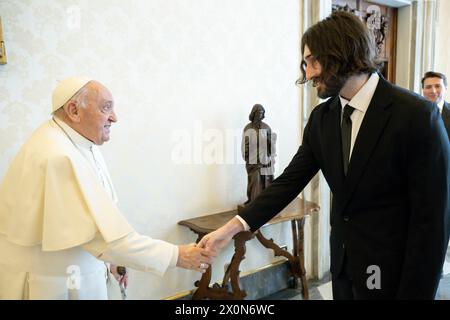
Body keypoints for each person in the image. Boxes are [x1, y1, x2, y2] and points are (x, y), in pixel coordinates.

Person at [198, 11, 450, 299]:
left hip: (392, 272)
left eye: (312, 61)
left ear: (341, 53)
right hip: (343, 268)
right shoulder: (322, 118)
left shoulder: (416, 116)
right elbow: (288, 183)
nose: (308, 74)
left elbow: (432, 223)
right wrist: (230, 229)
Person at [0, 77, 215, 300]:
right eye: (106, 108)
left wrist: (112, 261)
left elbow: (99, 223)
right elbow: (103, 238)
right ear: (74, 110)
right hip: (54, 285)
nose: (114, 117)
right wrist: (177, 255)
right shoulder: (58, 155)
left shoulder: (77, 141)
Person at [241, 104, 276, 204]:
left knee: (267, 180)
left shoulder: (267, 127)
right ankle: (254, 203)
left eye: (262, 113)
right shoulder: (248, 128)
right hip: (253, 162)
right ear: (253, 113)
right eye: (258, 113)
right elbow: (245, 146)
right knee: (255, 180)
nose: (260, 115)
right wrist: (248, 157)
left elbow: (272, 147)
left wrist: (270, 141)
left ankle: (266, 202)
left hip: (265, 159)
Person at [422, 71, 449, 137]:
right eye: (428, 87)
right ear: (423, 90)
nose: (433, 91)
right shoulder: (413, 112)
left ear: (445, 89)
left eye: (437, 86)